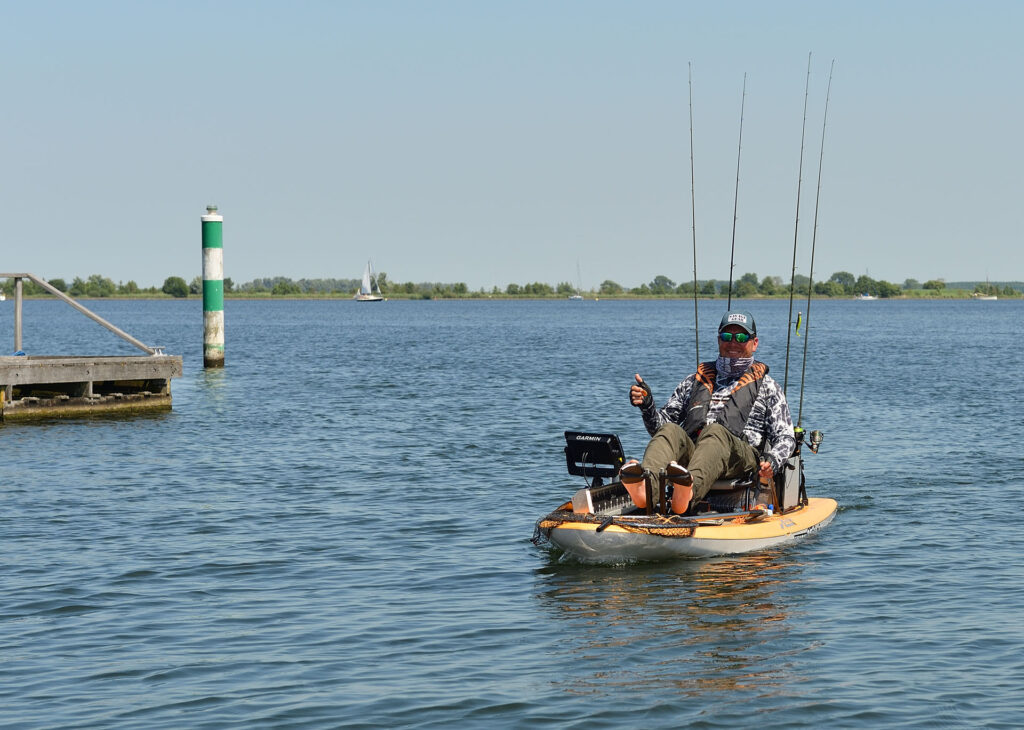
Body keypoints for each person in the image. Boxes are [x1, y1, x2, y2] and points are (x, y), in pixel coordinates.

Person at [621, 310, 795, 515]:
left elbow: (786, 437)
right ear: (718, 339)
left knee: (715, 432)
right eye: (726, 336)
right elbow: (658, 429)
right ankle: (646, 491)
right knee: (670, 430)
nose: (733, 343)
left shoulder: (769, 387)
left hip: (740, 457)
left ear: (754, 342)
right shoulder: (693, 381)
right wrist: (648, 406)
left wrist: (773, 461)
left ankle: (687, 496)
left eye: (741, 337)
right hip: (696, 453)